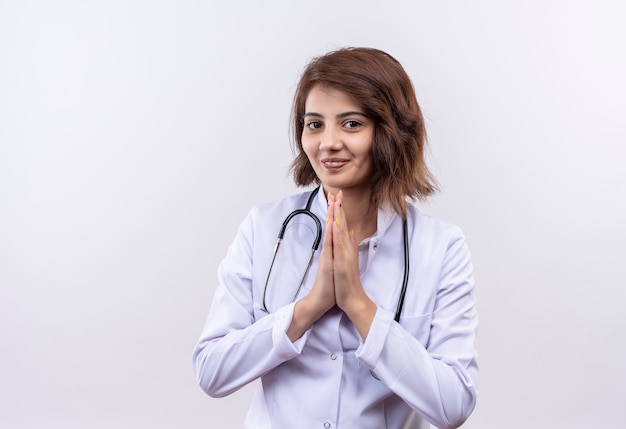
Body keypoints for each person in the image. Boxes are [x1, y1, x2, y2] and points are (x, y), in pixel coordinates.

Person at [193, 47, 478, 429]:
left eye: (351, 124)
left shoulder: (441, 247)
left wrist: (359, 305)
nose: (327, 143)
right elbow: (212, 372)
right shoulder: (263, 228)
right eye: (315, 124)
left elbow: (453, 405)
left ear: (392, 131)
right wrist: (309, 307)